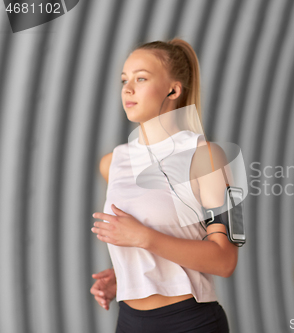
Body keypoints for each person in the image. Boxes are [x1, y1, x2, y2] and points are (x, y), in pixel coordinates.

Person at [89, 39, 238, 333]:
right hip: (129, 321)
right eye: (124, 80)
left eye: (141, 78)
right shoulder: (112, 162)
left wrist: (144, 238)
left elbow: (225, 260)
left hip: (189, 322)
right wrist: (127, 276)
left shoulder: (206, 156)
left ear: (173, 90)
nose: (128, 89)